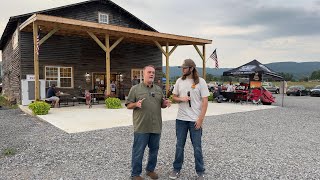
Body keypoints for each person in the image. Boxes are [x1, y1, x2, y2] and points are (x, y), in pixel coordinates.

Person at [126, 65, 171, 180]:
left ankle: (150, 170)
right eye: (149, 72)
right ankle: (135, 174)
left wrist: (165, 104)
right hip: (141, 126)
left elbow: (162, 104)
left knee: (154, 150)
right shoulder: (135, 89)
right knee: (138, 151)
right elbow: (128, 105)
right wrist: (136, 104)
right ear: (143, 74)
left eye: (153, 73)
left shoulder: (158, 89)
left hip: (156, 126)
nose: (151, 74)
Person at [169, 59, 209, 180]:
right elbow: (173, 97)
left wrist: (200, 119)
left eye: (185, 68)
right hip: (181, 119)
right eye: (182, 68)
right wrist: (182, 99)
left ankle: (200, 171)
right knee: (179, 146)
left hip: (195, 120)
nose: (182, 70)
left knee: (197, 147)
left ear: (191, 68)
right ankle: (176, 169)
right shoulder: (179, 81)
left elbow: (205, 102)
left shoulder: (201, 82)